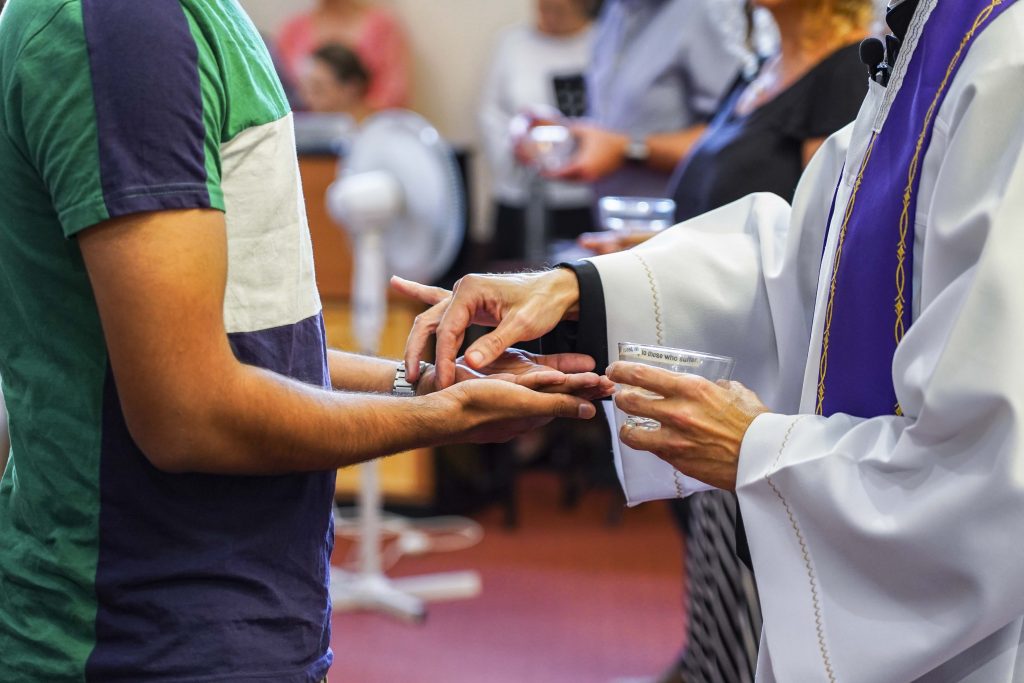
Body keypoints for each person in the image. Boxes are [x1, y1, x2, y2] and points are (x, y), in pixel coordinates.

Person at [394, 0, 1024, 679]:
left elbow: (996, 463)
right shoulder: (927, 27)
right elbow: (819, 255)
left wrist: (763, 452)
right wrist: (577, 289)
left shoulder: (1001, 48)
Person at [0, 1, 608, 680]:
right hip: (145, 629)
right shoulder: (130, 23)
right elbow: (186, 411)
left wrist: (421, 383)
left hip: (226, 607)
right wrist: (436, 417)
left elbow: (247, 344)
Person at [550, 0, 751, 199]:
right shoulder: (618, 9)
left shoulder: (707, 9)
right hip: (620, 220)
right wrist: (564, 135)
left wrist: (628, 149)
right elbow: (612, 124)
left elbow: (737, 137)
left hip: (681, 221)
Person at [478, 0, 596, 260]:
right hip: (521, 193)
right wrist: (517, 146)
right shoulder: (511, 44)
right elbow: (491, 115)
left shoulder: (601, 43)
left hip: (584, 198)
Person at [277, 0, 411, 111]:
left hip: (368, 133)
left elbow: (394, 97)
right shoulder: (293, 30)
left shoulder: (382, 27)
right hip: (304, 135)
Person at [300, 42, 374, 121]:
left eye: (318, 90)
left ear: (351, 88)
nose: (309, 100)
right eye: (306, 91)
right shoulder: (311, 125)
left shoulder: (381, 127)